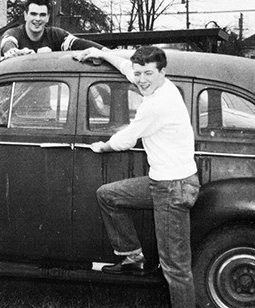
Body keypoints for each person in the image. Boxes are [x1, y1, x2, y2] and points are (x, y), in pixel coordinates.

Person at [75, 46, 200, 308]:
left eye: (148, 74)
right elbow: (127, 69)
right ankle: (132, 257)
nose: (141, 79)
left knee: (175, 267)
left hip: (172, 188)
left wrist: (103, 146)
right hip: (164, 181)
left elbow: (126, 138)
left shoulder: (156, 104)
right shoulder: (162, 86)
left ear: (162, 72)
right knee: (108, 195)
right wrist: (100, 53)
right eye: (139, 73)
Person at [1, 0, 106, 61]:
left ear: (47, 17)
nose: (37, 19)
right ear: (25, 15)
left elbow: (78, 43)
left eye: (42, 15)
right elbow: (8, 43)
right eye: (33, 14)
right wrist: (13, 52)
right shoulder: (15, 33)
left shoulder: (55, 34)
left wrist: (106, 52)